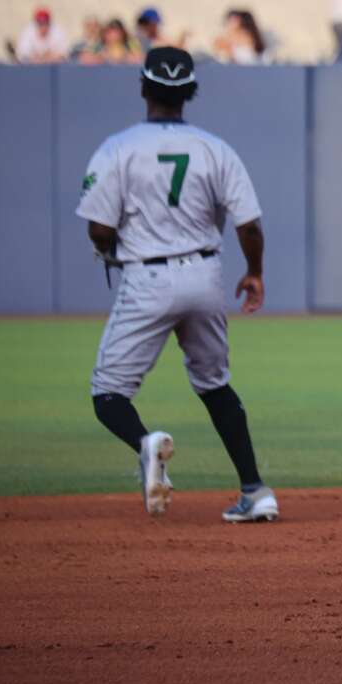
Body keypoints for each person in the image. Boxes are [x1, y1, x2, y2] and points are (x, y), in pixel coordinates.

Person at [75, 47, 278, 524]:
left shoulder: (118, 148)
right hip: (205, 275)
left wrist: (112, 249)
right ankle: (256, 490)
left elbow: (99, 231)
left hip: (147, 275)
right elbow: (248, 224)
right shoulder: (215, 148)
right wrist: (255, 271)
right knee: (216, 386)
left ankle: (146, 444)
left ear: (144, 89)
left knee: (108, 394)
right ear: (190, 93)